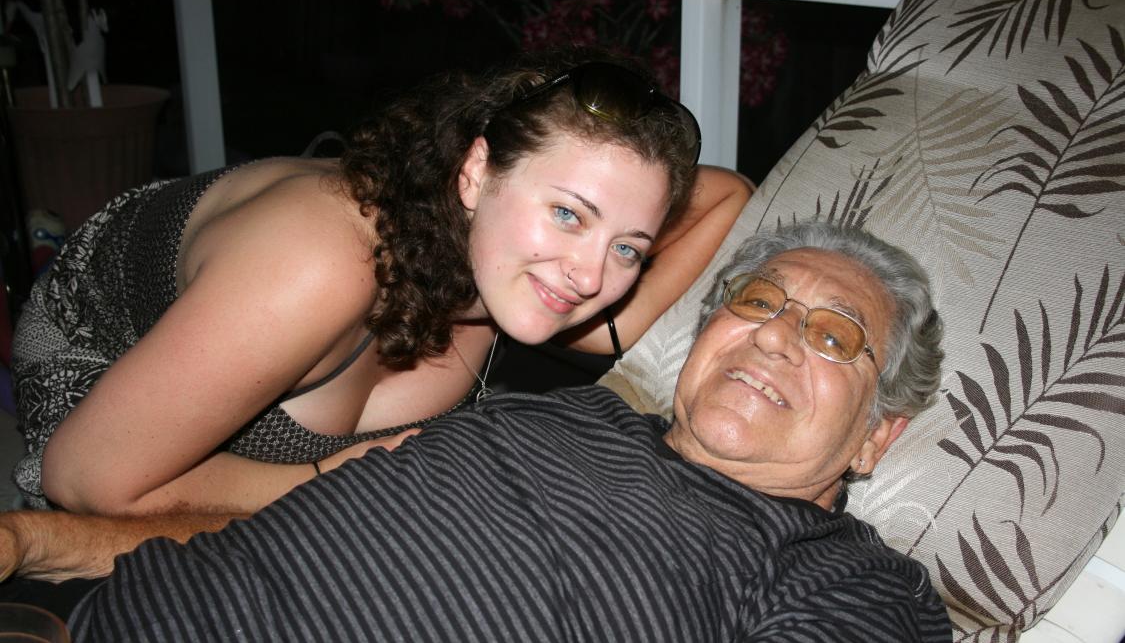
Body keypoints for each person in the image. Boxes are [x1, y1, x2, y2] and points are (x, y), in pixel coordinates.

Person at [22, 221, 950, 640]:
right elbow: (280, 532)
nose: (775, 334)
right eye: (755, 301)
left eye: (834, 336)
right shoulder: (550, 410)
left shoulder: (855, 582)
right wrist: (39, 541)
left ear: (877, 436)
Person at [10, 46, 753, 518]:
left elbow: (730, 194)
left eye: (628, 248)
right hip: (93, 357)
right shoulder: (319, 264)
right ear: (475, 173)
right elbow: (84, 479)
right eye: (566, 213)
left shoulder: (517, 276)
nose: (591, 276)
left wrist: (588, 253)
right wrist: (338, 477)